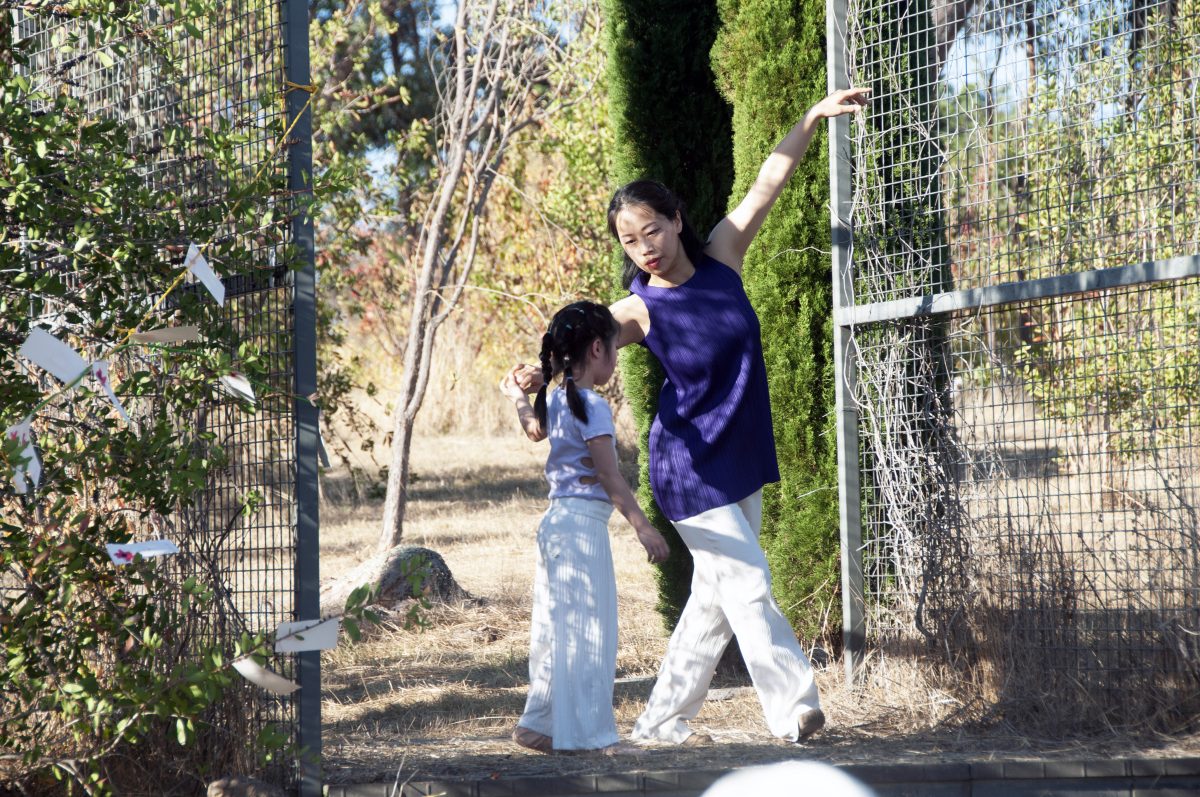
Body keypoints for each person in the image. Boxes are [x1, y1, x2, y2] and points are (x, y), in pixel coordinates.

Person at [512, 87, 870, 746]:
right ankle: (794, 707)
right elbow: (581, 331)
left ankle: (660, 720)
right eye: (630, 238)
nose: (645, 246)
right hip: (686, 468)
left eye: (652, 229)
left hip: (740, 453)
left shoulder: (723, 257)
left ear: (676, 219)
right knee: (748, 580)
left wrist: (812, 117)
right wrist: (542, 367)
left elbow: (767, 182)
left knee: (713, 602)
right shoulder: (637, 308)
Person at [499, 300, 671, 755]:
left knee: (556, 628)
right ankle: (593, 738)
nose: (616, 357)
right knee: (590, 632)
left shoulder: (557, 397)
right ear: (598, 348)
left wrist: (515, 396)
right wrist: (644, 528)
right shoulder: (591, 405)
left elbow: (534, 431)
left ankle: (541, 723)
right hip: (580, 530)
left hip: (556, 525)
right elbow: (612, 477)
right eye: (614, 347)